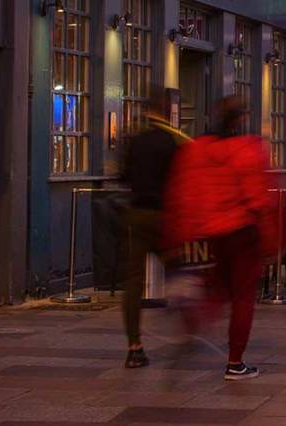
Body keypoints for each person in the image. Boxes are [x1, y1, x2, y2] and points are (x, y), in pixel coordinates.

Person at [163, 96, 277, 381]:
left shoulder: (196, 150)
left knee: (216, 289)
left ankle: (192, 321)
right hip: (243, 233)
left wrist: (178, 236)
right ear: (241, 118)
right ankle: (235, 362)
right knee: (242, 298)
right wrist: (270, 239)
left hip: (212, 233)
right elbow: (259, 198)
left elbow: (183, 194)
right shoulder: (248, 150)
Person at [119, 87, 188, 368]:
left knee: (133, 282)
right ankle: (184, 330)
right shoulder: (173, 142)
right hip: (165, 217)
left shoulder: (134, 141)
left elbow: (123, 176)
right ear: (167, 110)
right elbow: (182, 182)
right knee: (179, 271)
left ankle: (134, 346)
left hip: (137, 214)